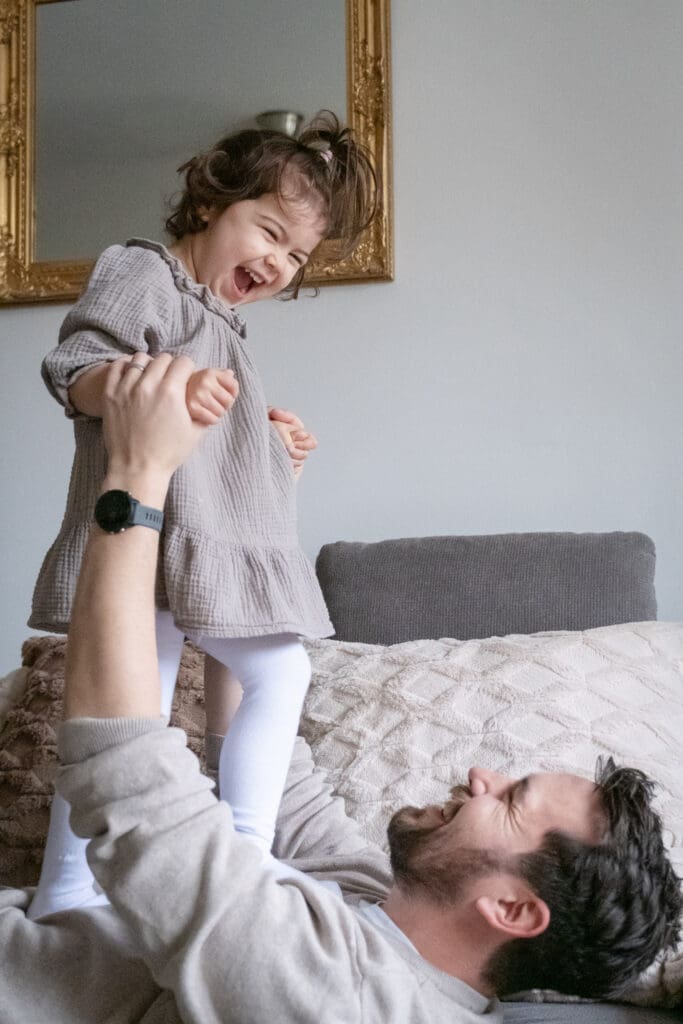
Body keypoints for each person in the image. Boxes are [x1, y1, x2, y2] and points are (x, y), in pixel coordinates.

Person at [2, 354, 679, 1024]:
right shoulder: (379, 901)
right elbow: (273, 772)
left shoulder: (344, 1003)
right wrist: (249, 521)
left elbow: (128, 780)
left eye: (510, 800)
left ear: (510, 910)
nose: (481, 774)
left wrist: (135, 474)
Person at [26, 111, 378, 919]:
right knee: (247, 680)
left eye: (296, 255)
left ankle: (66, 899)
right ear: (209, 204)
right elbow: (75, 368)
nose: (278, 262)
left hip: (191, 544)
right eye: (268, 230)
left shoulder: (226, 323)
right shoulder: (145, 271)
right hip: (141, 544)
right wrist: (151, 385)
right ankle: (244, 856)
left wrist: (266, 448)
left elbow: (210, 453)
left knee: (124, 720)